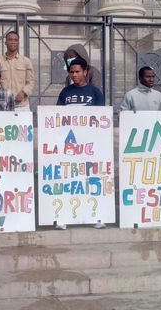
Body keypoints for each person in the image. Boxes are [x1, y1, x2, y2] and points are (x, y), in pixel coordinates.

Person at [56, 57, 105, 230]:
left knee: (90, 180)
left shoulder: (95, 93)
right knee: (69, 180)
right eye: (71, 72)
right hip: (70, 145)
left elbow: (101, 121)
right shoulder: (65, 93)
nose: (74, 75)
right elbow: (57, 118)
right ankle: (63, 216)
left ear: (85, 72)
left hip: (90, 146)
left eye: (77, 72)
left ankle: (96, 215)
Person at [0, 31, 35, 109]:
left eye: (15, 40)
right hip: (3, 105)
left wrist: (23, 93)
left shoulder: (26, 61)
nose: (13, 42)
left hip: (22, 106)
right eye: (10, 40)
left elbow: (31, 82)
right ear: (5, 42)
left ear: (18, 43)